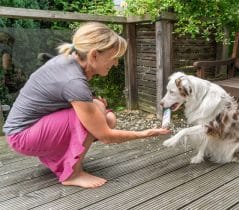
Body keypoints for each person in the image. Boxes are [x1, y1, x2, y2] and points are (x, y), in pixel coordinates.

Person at [3, 22, 170, 188]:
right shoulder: (73, 81)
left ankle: (59, 160)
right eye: (114, 57)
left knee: (104, 115)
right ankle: (72, 174)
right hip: (22, 137)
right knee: (98, 117)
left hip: (29, 130)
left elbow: (90, 107)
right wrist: (145, 133)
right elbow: (106, 136)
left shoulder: (70, 62)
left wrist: (103, 111)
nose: (116, 63)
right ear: (94, 55)